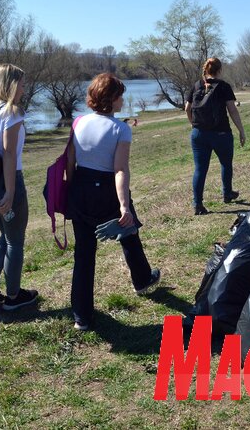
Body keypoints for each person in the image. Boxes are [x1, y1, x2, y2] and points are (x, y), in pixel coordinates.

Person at [66, 72, 161, 331]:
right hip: (106, 189)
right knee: (128, 230)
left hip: (81, 189)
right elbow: (120, 170)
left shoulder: (77, 123)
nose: (123, 101)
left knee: (83, 255)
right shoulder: (121, 129)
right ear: (111, 99)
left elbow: (70, 163)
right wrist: (123, 206)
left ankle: (81, 317)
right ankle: (142, 280)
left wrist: (72, 193)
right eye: (120, 96)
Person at [0, 64, 39, 310]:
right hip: (5, 183)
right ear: (11, 84)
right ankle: (14, 298)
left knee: (5, 234)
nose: (24, 87)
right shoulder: (11, 112)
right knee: (15, 241)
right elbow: (9, 154)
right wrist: (10, 192)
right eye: (22, 83)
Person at [185, 57, 246, 216]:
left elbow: (187, 108)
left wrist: (193, 123)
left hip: (198, 134)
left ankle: (197, 204)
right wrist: (241, 130)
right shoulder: (224, 86)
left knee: (200, 169)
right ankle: (227, 193)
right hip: (221, 133)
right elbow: (232, 110)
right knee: (226, 164)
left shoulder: (197, 85)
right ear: (219, 70)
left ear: (206, 69)